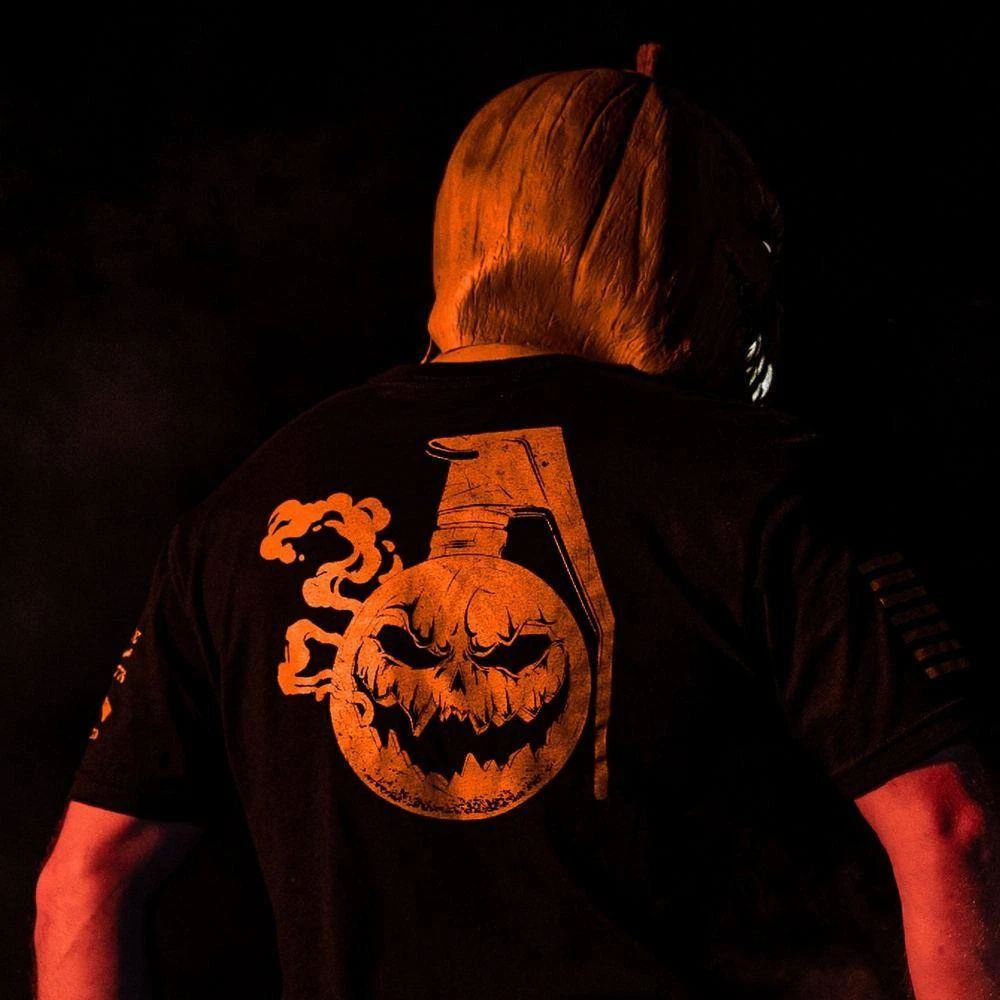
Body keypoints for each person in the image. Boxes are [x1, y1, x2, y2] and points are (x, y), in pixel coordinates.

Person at [33, 44, 998, 999]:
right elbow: (950, 826)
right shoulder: (760, 479)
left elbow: (82, 881)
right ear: (698, 256)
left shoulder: (247, 506)